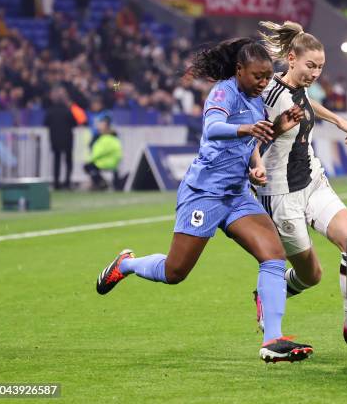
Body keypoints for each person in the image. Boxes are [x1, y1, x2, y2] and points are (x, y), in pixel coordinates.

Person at [94, 38, 311, 363]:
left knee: (274, 254)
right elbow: (212, 129)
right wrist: (246, 128)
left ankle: (273, 339)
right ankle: (126, 264)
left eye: (267, 76)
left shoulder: (255, 100)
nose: (263, 82)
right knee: (175, 271)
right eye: (257, 76)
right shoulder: (224, 92)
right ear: (239, 70)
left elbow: (253, 141)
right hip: (204, 193)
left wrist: (270, 139)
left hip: (236, 194)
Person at [253, 20, 347, 348]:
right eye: (310, 66)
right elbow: (253, 138)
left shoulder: (300, 86)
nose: (315, 73)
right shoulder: (267, 93)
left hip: (312, 180)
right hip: (281, 194)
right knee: (312, 276)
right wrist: (254, 166)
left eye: (320, 68)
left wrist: (338, 120)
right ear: (292, 60)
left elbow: (306, 102)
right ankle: (270, 292)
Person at [44, 86, 77, 189]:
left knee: (56, 162)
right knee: (68, 161)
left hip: (55, 140)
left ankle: (56, 183)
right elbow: (74, 123)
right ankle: (67, 182)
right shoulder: (67, 110)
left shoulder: (50, 111)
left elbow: (46, 123)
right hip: (67, 139)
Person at [83, 115, 126, 190]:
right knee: (90, 166)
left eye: (101, 125)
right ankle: (100, 183)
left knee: (88, 166)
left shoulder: (106, 138)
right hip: (112, 162)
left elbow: (98, 153)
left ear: (107, 127)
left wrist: (90, 160)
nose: (99, 127)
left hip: (107, 162)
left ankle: (101, 183)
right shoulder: (111, 137)